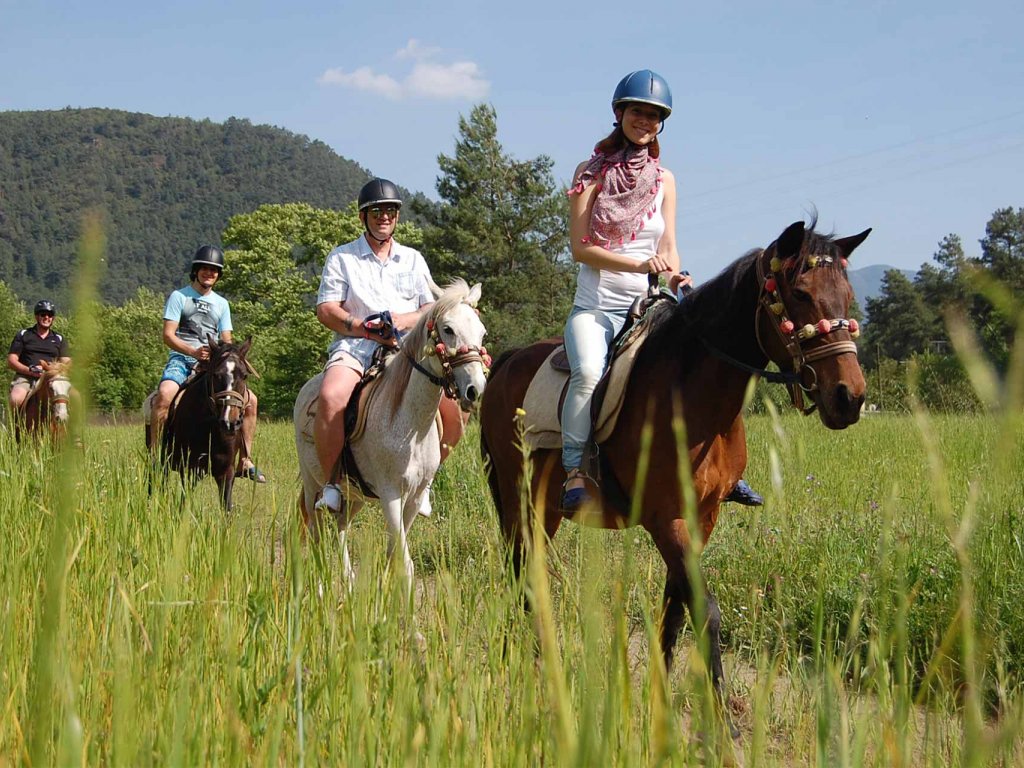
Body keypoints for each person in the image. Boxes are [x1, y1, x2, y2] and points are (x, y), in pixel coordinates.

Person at [560, 70, 762, 512]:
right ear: (620, 114)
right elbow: (580, 248)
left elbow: (667, 245)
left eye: (653, 116)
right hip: (596, 308)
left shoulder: (664, 180)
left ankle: (727, 471)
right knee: (589, 373)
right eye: (638, 112)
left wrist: (675, 276)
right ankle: (575, 469)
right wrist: (637, 263)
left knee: (702, 367)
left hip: (647, 307)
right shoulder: (588, 174)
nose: (645, 122)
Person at [313, 178, 466, 515]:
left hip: (407, 351)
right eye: (377, 211)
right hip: (355, 347)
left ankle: (425, 481)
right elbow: (326, 309)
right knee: (331, 397)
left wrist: (401, 319)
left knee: (454, 411)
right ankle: (331, 483)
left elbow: (431, 308)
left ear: (397, 217)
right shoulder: (342, 257)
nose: (385, 217)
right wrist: (361, 326)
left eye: (391, 211)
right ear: (363, 217)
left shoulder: (413, 259)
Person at [151, 245, 266, 482]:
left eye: (214, 271)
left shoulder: (222, 304)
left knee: (251, 401)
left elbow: (226, 339)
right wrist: (193, 351)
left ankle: (245, 459)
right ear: (196, 270)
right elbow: (168, 335)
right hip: (182, 359)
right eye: (205, 269)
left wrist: (230, 355)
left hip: (214, 364)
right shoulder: (179, 297)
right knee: (164, 394)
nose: (209, 274)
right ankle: (155, 456)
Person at [7, 299, 71, 412]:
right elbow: (12, 360)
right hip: (26, 376)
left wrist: (52, 370)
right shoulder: (24, 335)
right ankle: (13, 428)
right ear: (36, 316)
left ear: (53, 318)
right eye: (43, 314)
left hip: (52, 378)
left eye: (50, 315)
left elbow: (67, 361)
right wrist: (30, 370)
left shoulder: (59, 338)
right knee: (16, 399)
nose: (47, 317)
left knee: (76, 398)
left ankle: (73, 428)